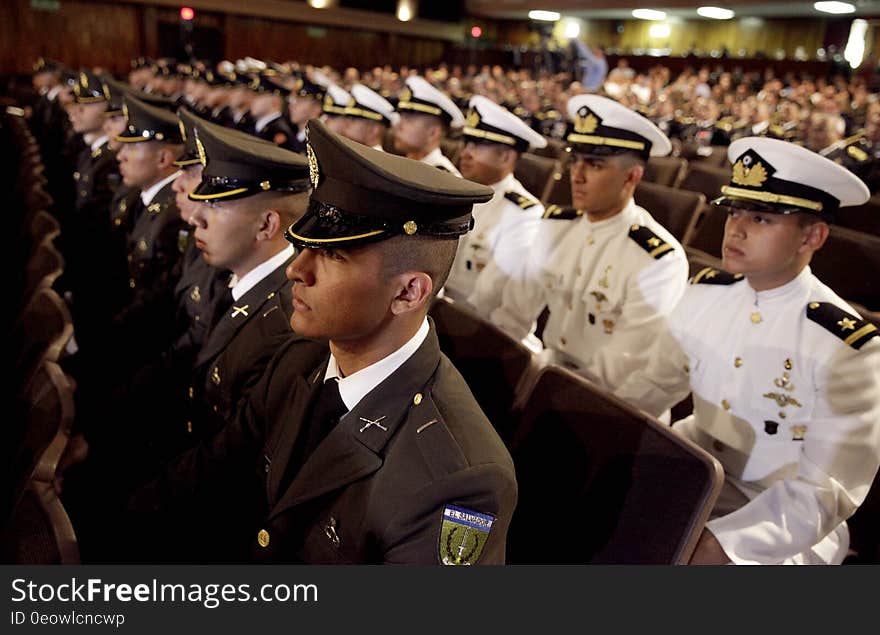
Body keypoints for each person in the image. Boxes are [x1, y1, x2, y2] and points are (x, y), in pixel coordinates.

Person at [129, 118, 516, 565]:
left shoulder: (457, 480)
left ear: (408, 292)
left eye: (332, 254)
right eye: (304, 245)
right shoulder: (300, 359)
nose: (297, 269)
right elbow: (207, 474)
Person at [614, 137, 880, 565]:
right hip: (694, 478)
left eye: (761, 218)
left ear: (812, 235)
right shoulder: (705, 294)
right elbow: (650, 388)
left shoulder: (843, 344)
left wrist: (724, 545)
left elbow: (823, 493)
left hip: (781, 524)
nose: (735, 229)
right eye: (734, 211)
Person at [490, 94, 687, 391]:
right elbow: (513, 314)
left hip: (611, 405)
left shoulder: (658, 259)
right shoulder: (556, 227)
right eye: (576, 161)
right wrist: (494, 365)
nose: (577, 176)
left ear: (631, 177)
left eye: (594, 165)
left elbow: (620, 368)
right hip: (546, 373)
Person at [443, 95, 548, 318]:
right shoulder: (454, 192)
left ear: (506, 157)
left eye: (478, 146)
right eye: (467, 143)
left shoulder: (524, 215)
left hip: (479, 329)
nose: (465, 153)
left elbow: (488, 297)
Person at [393, 75, 463, 174]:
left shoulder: (444, 178)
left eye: (409, 120)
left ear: (433, 133)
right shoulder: (402, 167)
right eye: (401, 118)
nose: (399, 125)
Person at [337, 83, 397, 150]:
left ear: (374, 129)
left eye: (353, 119)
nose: (346, 123)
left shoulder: (376, 159)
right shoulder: (357, 153)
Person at [246, 73, 297, 151]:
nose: (253, 100)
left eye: (259, 96)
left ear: (275, 101)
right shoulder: (253, 124)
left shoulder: (278, 131)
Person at [287, 74, 326, 153]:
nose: (292, 106)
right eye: (293, 101)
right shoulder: (297, 137)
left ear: (317, 108)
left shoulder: (317, 144)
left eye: (299, 102)